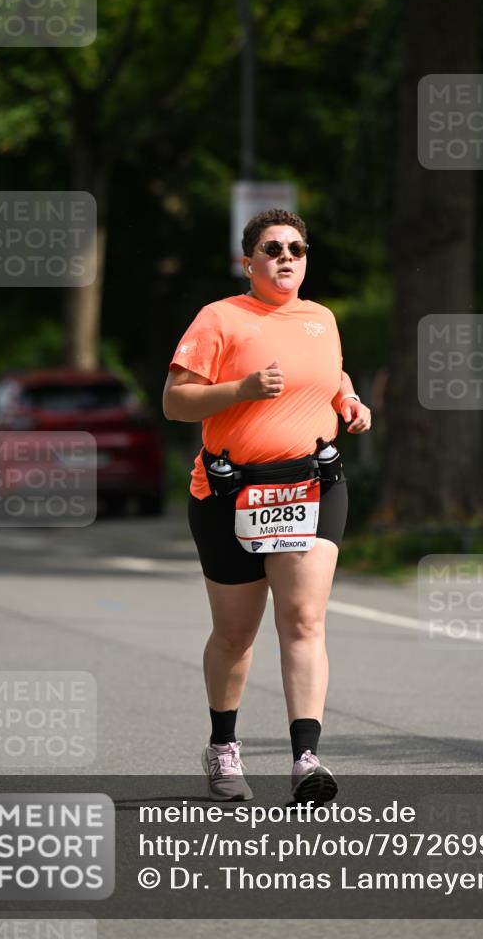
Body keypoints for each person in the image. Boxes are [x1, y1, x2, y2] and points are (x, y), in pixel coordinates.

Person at [163, 209, 371, 804]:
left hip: (311, 486)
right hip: (230, 493)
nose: (286, 257)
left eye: (296, 249)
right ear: (248, 262)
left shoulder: (321, 319)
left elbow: (331, 374)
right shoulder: (220, 318)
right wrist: (242, 390)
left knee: (303, 620)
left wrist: (350, 400)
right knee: (236, 634)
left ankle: (307, 760)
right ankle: (223, 747)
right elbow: (176, 401)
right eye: (273, 248)